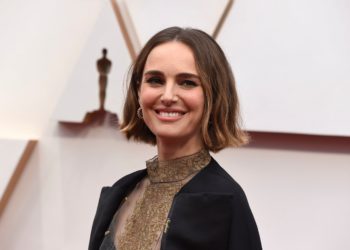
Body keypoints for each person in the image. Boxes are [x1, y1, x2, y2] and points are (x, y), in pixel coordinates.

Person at [89, 27, 262, 250]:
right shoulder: (119, 192)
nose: (168, 96)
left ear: (214, 96)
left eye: (187, 82)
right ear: (138, 92)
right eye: (155, 80)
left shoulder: (226, 200)